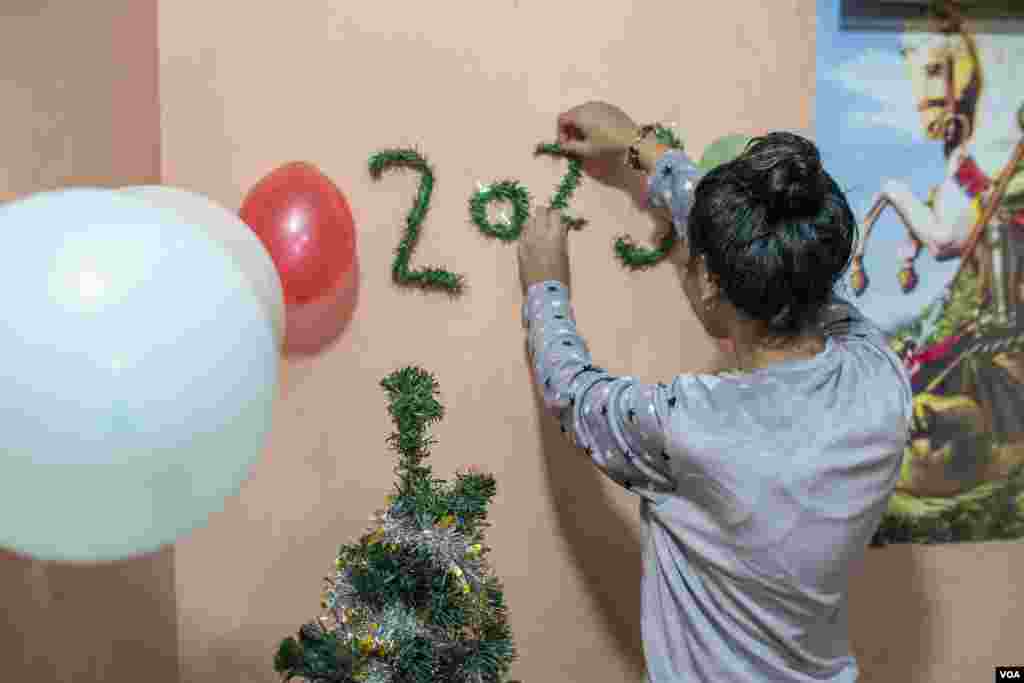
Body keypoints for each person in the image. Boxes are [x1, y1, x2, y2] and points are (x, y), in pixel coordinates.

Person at [517, 101, 913, 682]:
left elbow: (575, 397)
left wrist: (544, 284)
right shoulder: (881, 376)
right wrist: (641, 149)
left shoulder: (690, 428)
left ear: (707, 280)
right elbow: (783, 252)